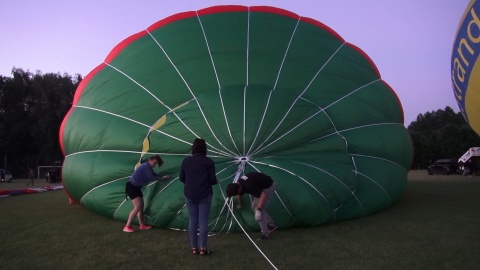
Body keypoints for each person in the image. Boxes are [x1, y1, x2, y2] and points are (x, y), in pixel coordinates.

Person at [179, 138, 218, 255]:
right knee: (203, 220)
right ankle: (203, 248)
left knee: (192, 220)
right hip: (205, 194)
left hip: (190, 193)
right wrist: (215, 181)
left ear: (193, 148)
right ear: (205, 148)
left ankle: (194, 248)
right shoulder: (209, 162)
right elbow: (212, 180)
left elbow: (181, 178)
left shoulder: (186, 161)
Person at [123, 155, 169, 233]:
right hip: (131, 187)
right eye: (154, 162)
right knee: (138, 207)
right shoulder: (146, 166)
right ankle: (127, 226)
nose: (155, 165)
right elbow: (151, 177)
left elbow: (154, 174)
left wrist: (161, 176)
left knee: (141, 207)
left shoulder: (148, 168)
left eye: (156, 163)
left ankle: (142, 225)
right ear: (150, 160)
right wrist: (161, 178)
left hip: (136, 188)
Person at [226, 172, 278, 240]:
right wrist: (240, 204)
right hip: (261, 187)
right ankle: (271, 225)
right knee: (253, 207)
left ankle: (266, 234)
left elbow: (263, 195)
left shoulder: (249, 186)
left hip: (268, 187)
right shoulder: (239, 184)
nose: (236, 195)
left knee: (259, 212)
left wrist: (259, 210)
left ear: (238, 189)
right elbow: (239, 194)